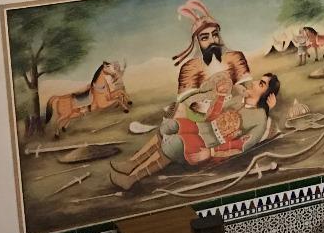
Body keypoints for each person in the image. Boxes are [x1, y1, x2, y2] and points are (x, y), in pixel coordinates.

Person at [109, 72, 279, 189]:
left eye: (261, 84)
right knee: (169, 125)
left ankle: (131, 178)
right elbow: (211, 117)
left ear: (267, 94)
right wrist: (220, 97)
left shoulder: (260, 119)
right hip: (203, 128)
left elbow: (241, 145)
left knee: (174, 143)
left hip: (210, 145)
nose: (254, 82)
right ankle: (132, 163)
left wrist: (210, 152)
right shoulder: (238, 100)